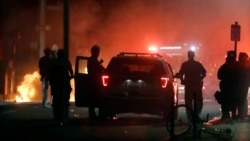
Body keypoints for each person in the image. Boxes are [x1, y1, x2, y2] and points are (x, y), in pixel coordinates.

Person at [178, 50, 206, 122]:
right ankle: (196, 115)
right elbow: (204, 73)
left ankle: (190, 117)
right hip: (196, 86)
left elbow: (180, 74)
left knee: (188, 102)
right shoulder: (198, 64)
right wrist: (200, 78)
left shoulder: (185, 64)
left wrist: (182, 81)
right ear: (193, 55)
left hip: (188, 86)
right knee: (198, 101)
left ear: (188, 56)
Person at [49, 49, 74, 125]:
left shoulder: (54, 61)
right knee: (65, 99)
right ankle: (64, 114)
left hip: (56, 84)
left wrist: (51, 81)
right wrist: (72, 76)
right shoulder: (66, 61)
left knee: (56, 100)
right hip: (63, 83)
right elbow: (71, 70)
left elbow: (50, 72)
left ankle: (56, 115)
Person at [217, 50, 238, 121]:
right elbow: (219, 76)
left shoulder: (236, 66)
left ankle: (231, 115)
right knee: (227, 103)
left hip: (233, 88)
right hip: (227, 88)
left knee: (232, 103)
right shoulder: (225, 67)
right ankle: (227, 115)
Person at [87, 45, 105, 121]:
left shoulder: (94, 60)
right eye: (97, 52)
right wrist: (100, 64)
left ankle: (93, 114)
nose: (98, 53)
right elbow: (95, 69)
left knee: (94, 99)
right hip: (93, 82)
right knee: (93, 99)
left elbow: (98, 68)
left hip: (94, 82)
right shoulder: (92, 60)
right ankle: (92, 114)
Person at [235, 52, 249, 120]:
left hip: (243, 84)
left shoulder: (241, 65)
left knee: (242, 99)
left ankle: (242, 114)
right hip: (241, 84)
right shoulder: (239, 65)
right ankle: (242, 114)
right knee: (241, 99)